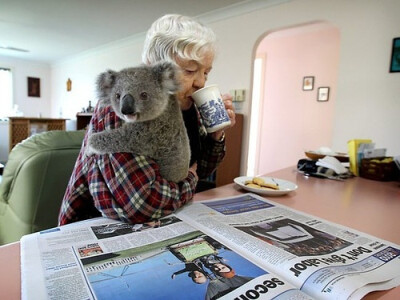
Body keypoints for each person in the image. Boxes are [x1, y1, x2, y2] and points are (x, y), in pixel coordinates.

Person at [58, 14, 236, 225]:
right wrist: (191, 179)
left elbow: (202, 168)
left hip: (163, 219)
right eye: (190, 70)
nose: (200, 82)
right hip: (96, 226)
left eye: (206, 72)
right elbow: (142, 204)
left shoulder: (186, 107)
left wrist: (216, 135)